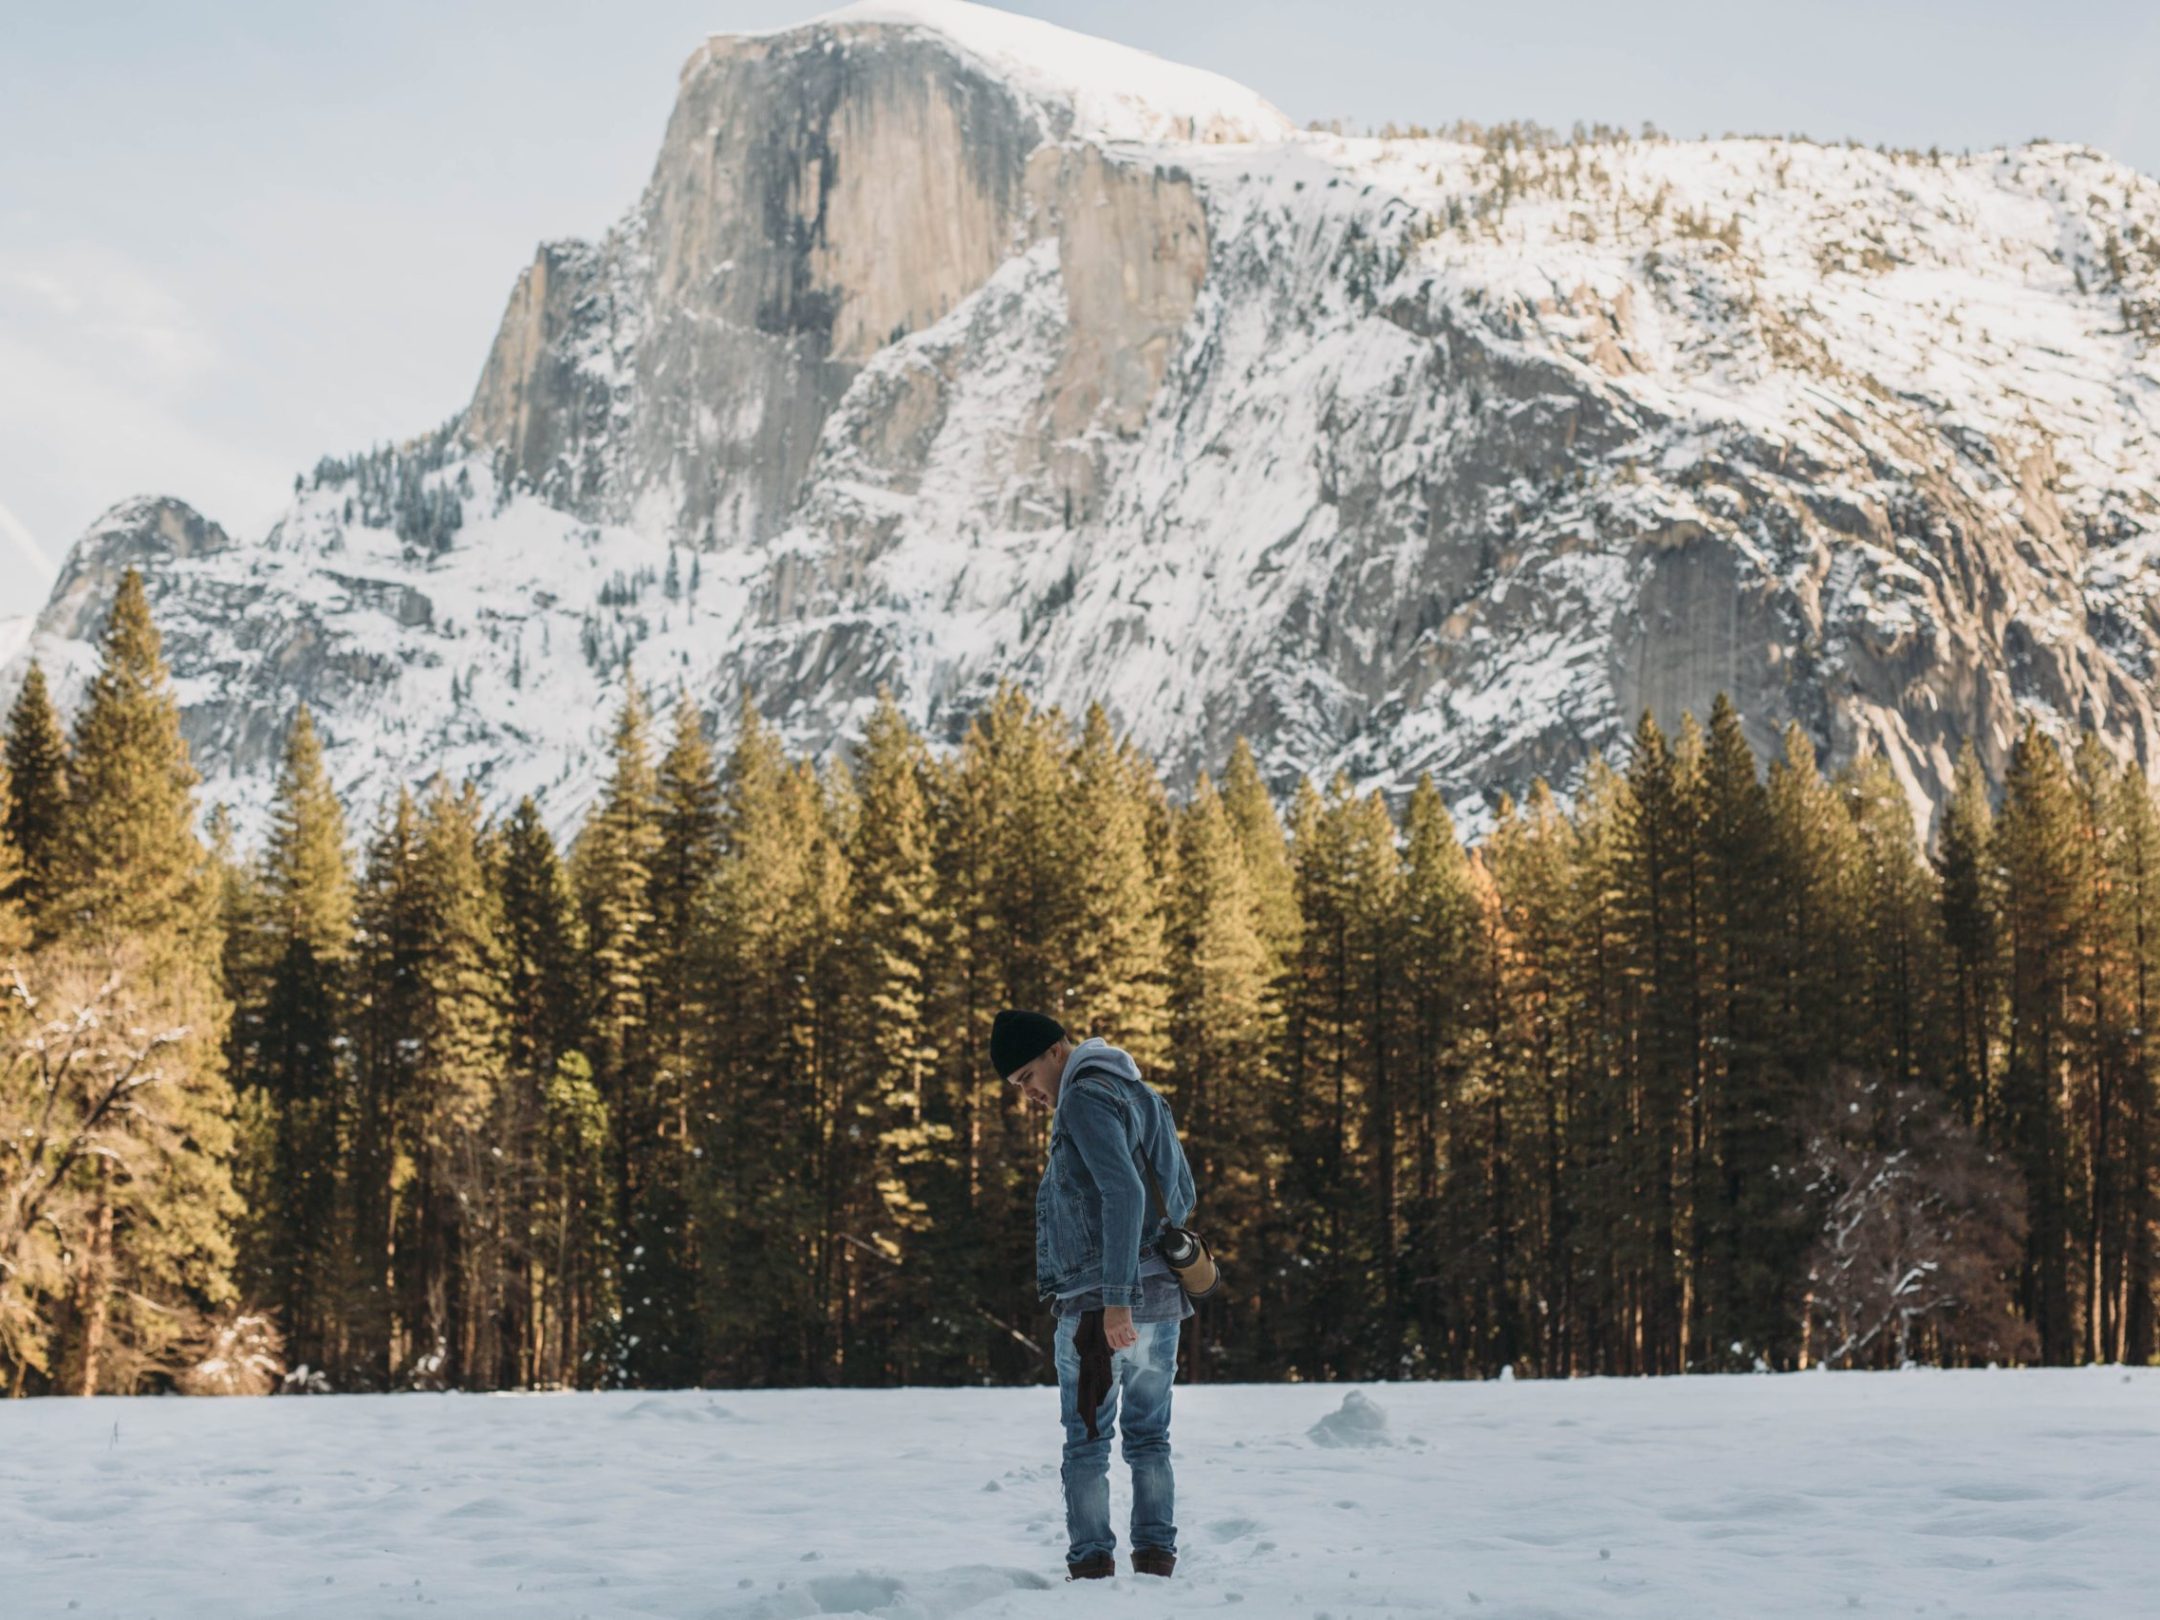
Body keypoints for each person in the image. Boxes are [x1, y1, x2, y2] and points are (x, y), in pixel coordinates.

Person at [991, 1008, 1197, 1582]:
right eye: (1017, 1086)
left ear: (1057, 1050)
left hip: (1098, 1310)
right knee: (1150, 1435)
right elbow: (1180, 1193)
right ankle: (1155, 1558)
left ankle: (1091, 1567)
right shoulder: (1142, 1092)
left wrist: (1115, 1300)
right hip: (1161, 1301)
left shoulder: (1082, 1098)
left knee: (1086, 1441)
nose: (1028, 1093)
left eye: (1026, 1076)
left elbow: (1124, 1193)